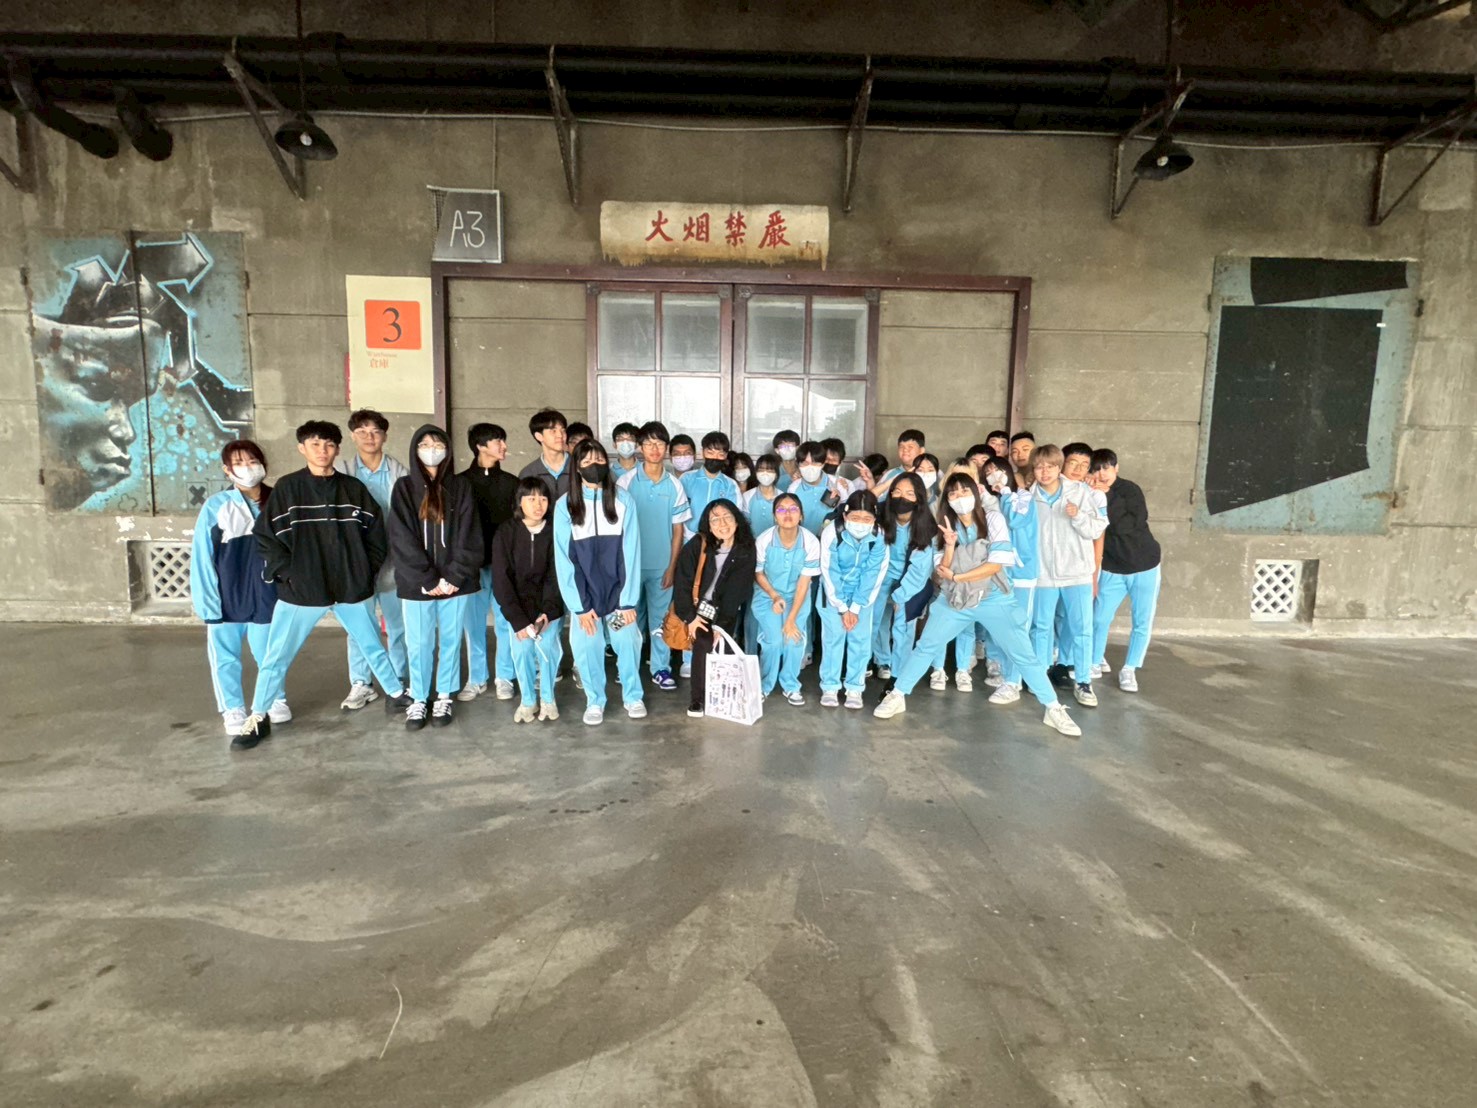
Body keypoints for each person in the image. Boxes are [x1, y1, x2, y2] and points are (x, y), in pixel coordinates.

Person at [237, 421, 410, 747]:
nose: (322, 451)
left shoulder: (353, 489)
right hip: (301, 590)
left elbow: (376, 535)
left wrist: (365, 571)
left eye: (329, 445)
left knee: (372, 644)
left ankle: (395, 694)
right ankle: (258, 715)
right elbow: (266, 537)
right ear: (302, 448)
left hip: (350, 586)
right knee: (277, 655)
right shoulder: (288, 488)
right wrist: (288, 573)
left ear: (337, 449)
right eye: (315, 444)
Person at [873, 472, 1080, 738]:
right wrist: (949, 546)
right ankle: (898, 694)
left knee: (1023, 654)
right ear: (947, 499)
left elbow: (995, 564)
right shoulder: (943, 525)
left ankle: (1053, 708)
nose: (959, 497)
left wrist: (958, 577)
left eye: (964, 491)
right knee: (926, 646)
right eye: (953, 493)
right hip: (956, 599)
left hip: (993, 597)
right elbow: (941, 570)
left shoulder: (993, 518)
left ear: (975, 494)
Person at [388, 425, 482, 730]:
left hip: (456, 583)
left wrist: (454, 575)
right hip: (417, 584)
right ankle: (419, 697)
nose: (432, 450)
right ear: (415, 450)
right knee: (419, 643)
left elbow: (470, 534)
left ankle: (444, 695)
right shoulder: (404, 488)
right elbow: (401, 538)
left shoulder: (461, 487)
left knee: (451, 641)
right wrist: (427, 579)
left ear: (448, 450)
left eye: (438, 444)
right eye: (425, 444)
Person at [190, 439, 283, 735]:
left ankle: (274, 698)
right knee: (225, 655)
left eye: (253, 461)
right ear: (227, 470)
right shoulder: (216, 506)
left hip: (267, 593)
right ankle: (233, 707)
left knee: (270, 652)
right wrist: (208, 603)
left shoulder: (278, 501)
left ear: (263, 465)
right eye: (239, 463)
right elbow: (203, 556)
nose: (248, 468)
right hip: (228, 595)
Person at [552, 440, 646, 725]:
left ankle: (633, 696)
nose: (594, 466)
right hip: (586, 599)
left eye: (599, 460)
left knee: (627, 641)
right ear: (577, 468)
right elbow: (565, 559)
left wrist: (627, 601)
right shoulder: (565, 506)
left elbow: (631, 552)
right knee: (586, 647)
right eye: (587, 461)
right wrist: (580, 607)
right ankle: (595, 701)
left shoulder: (623, 500)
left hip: (618, 598)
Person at [334, 409, 409, 712]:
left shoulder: (399, 473)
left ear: (385, 436)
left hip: (393, 561)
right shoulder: (341, 472)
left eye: (375, 431)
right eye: (362, 431)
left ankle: (399, 680)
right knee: (359, 627)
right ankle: (361, 683)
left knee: (397, 626)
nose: (369, 437)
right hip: (356, 562)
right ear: (353, 436)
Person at [1026, 444, 1107, 709]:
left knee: (1082, 628)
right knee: (1041, 627)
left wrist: (1078, 516)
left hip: (1077, 573)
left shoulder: (1080, 492)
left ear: (1059, 467)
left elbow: (1097, 529)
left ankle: (1083, 681)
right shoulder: (1028, 497)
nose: (1045, 472)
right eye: (1039, 467)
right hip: (1043, 575)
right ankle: (1040, 678)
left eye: (1050, 466)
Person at [617, 420, 691, 692]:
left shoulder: (674, 484)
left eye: (659, 443)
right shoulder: (625, 482)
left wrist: (672, 567)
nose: (654, 448)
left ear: (667, 448)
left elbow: (678, 530)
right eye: (648, 443)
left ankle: (660, 668)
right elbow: (616, 529)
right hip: (630, 567)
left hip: (661, 567)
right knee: (628, 619)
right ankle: (627, 667)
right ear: (640, 447)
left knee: (660, 621)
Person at [672, 499, 758, 717]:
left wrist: (720, 625)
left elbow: (738, 590)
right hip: (696, 609)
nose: (722, 523)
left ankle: (723, 697)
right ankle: (697, 700)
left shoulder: (745, 549)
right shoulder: (698, 544)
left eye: (727, 517)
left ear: (737, 520)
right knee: (703, 642)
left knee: (724, 647)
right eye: (715, 519)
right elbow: (682, 581)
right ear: (708, 525)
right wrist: (690, 618)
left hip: (724, 611)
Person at [491, 477, 566, 721]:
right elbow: (501, 579)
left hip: (548, 606)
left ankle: (548, 700)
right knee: (522, 651)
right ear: (519, 502)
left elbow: (557, 574)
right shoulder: (506, 532)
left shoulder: (556, 531)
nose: (538, 505)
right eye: (531, 499)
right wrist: (519, 620)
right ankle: (527, 701)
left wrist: (548, 612)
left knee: (547, 650)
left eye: (543, 499)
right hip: (518, 608)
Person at [1089, 449, 1161, 694]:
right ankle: (1094, 660)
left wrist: (1108, 495)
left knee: (1142, 621)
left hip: (1145, 565)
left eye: (1106, 468)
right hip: (1112, 567)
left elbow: (1127, 525)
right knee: (1099, 618)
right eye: (1096, 469)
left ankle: (1130, 668)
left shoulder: (1129, 490)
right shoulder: (1089, 492)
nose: (1102, 474)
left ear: (1116, 468)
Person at [457, 423, 519, 703]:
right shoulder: (460, 483)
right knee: (473, 625)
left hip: (504, 565)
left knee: (506, 621)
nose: (504, 446)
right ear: (480, 446)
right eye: (498, 441)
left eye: (503, 440)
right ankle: (477, 678)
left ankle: (505, 676)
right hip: (471, 568)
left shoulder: (511, 483)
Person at [816, 490, 889, 709]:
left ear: (874, 518)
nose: (860, 523)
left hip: (863, 596)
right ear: (845, 515)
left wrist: (856, 607)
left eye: (867, 519)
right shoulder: (832, 532)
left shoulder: (879, 536)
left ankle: (855, 688)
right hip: (832, 594)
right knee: (833, 640)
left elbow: (874, 573)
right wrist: (841, 606)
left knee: (860, 641)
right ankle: (830, 686)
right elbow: (829, 570)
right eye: (855, 517)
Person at [751, 492, 820, 705]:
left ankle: (790, 685)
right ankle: (764, 686)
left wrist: (791, 620)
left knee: (794, 639)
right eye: (781, 509)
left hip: (797, 596)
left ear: (801, 515)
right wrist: (774, 596)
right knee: (773, 641)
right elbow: (758, 573)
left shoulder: (810, 542)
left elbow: (804, 583)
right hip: (767, 595)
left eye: (793, 509)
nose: (787, 514)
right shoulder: (764, 540)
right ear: (774, 516)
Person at [871, 472, 940, 682]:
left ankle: (898, 675)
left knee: (903, 625)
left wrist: (900, 596)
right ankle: (882, 659)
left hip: (912, 580)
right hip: (881, 577)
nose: (903, 497)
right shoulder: (879, 517)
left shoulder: (926, 525)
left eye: (910, 493)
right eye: (897, 491)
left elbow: (920, 569)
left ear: (919, 498)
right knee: (875, 620)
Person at [680, 431, 741, 539]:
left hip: (719, 541)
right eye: (710, 453)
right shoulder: (686, 479)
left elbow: (734, 516)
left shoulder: (731, 485)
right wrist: (690, 537)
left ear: (726, 456)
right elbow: (678, 513)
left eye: (720, 454)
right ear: (702, 452)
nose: (715, 458)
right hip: (688, 539)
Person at [789, 440, 843, 535]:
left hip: (830, 539)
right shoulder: (793, 488)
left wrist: (839, 502)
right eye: (805, 463)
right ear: (798, 464)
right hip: (804, 538)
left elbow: (848, 514)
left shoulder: (837, 484)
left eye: (815, 463)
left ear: (823, 464)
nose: (810, 467)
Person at [519, 408, 571, 500]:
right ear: (539, 436)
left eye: (563, 430)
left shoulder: (579, 467)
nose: (560, 435)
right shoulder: (529, 473)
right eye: (553, 431)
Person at [741, 452, 784, 537]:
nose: (765, 473)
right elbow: (746, 524)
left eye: (769, 470)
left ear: (776, 474)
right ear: (756, 473)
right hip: (754, 541)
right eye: (761, 470)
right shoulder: (748, 496)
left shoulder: (782, 497)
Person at [874, 429, 926, 496]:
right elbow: (875, 498)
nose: (905, 450)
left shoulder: (932, 474)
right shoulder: (890, 474)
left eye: (910, 447)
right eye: (901, 447)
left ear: (921, 450)